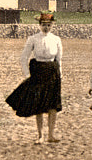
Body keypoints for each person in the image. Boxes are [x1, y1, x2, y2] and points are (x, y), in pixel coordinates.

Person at [5, 11, 63, 144]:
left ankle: (51, 135)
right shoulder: (33, 39)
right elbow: (23, 57)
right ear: (39, 25)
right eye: (43, 25)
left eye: (49, 25)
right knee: (39, 105)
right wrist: (27, 75)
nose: (46, 27)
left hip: (53, 73)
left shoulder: (56, 39)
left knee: (53, 106)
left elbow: (59, 59)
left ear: (52, 25)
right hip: (38, 72)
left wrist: (60, 74)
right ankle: (40, 135)